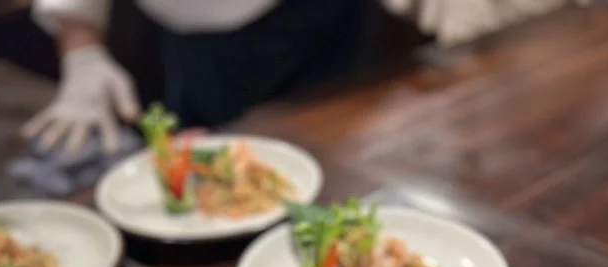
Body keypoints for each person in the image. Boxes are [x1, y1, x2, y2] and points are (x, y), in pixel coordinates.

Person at [24, 0, 368, 154]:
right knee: (208, 170)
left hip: (322, 18)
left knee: (338, 156)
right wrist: (82, 51)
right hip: (196, 37)